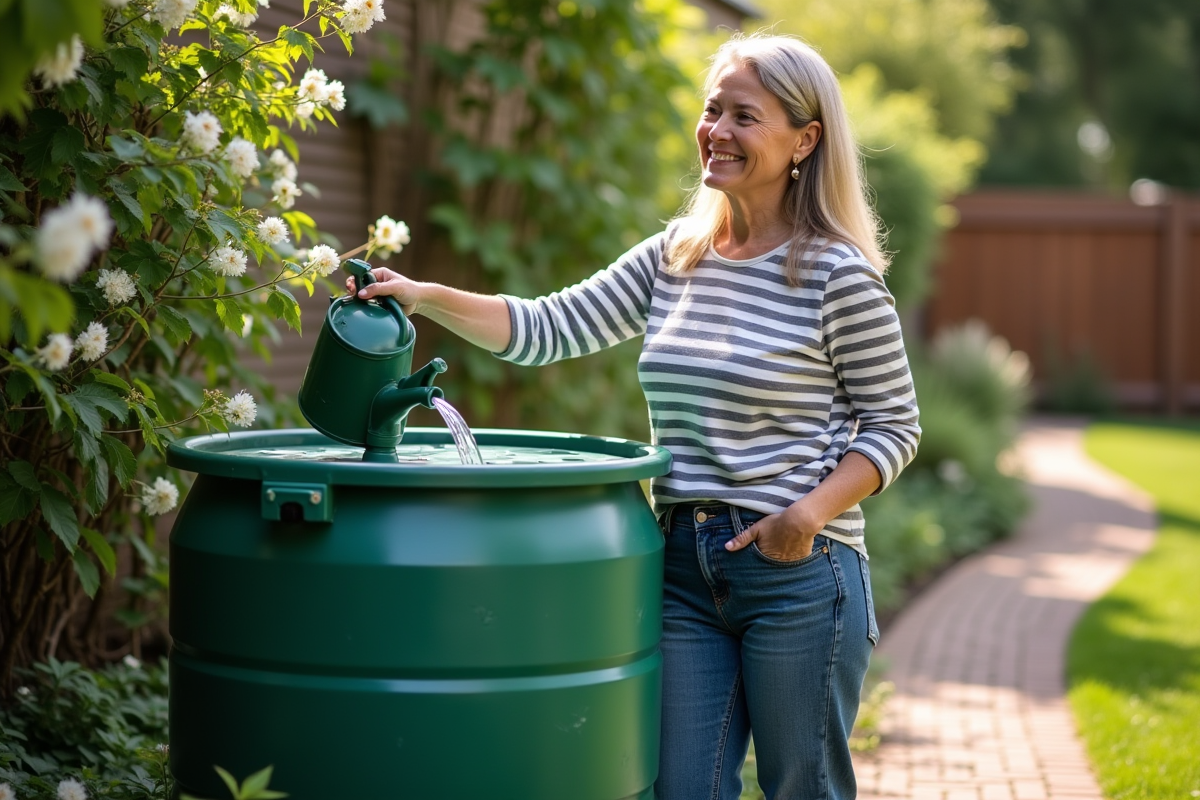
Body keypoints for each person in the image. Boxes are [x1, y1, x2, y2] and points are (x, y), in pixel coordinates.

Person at [347, 32, 919, 800]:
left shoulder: (835, 276)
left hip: (798, 574)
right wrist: (423, 296)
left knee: (801, 789)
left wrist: (806, 517)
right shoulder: (674, 256)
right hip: (682, 567)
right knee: (678, 788)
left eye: (744, 117)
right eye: (713, 111)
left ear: (804, 141)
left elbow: (893, 426)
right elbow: (545, 327)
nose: (717, 131)